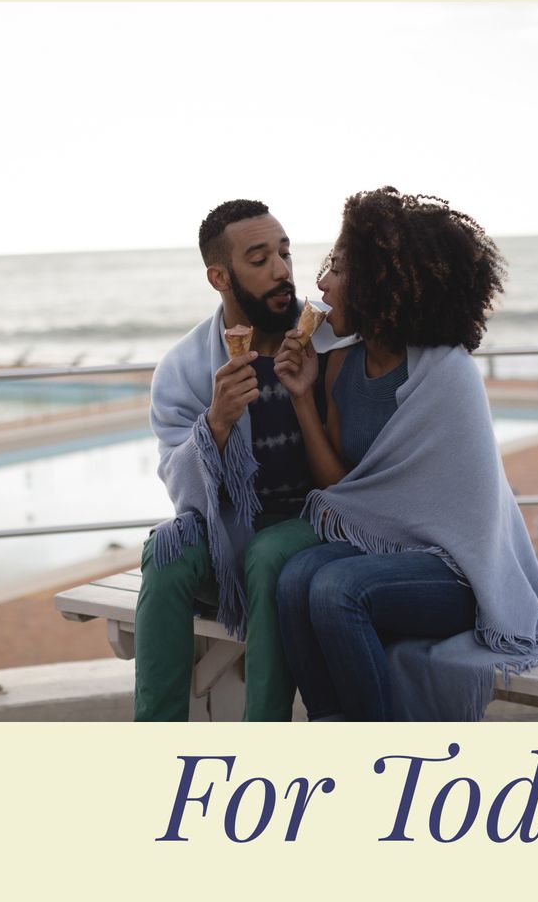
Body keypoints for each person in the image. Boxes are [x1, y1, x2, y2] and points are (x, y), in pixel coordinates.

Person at [273, 188, 538, 721]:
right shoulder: (337, 367)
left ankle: (377, 750)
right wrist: (303, 396)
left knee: (334, 588)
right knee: (292, 578)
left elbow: (467, 520)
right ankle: (334, 731)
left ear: (381, 283)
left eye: (338, 268)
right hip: (385, 555)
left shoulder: (446, 374)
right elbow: (341, 490)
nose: (321, 282)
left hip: (459, 573)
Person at [134, 199, 346, 721]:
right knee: (165, 549)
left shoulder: (330, 342)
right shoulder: (184, 368)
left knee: (269, 554)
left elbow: (361, 462)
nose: (281, 271)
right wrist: (216, 425)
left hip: (315, 523)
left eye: (285, 253)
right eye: (259, 260)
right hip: (231, 529)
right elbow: (184, 496)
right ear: (219, 276)